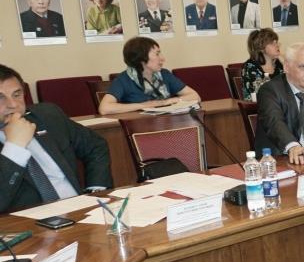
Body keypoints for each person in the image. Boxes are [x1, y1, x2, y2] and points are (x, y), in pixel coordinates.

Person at [0, 64, 111, 213]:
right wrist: (14, 147)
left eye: (17, 94)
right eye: (1, 97)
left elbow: (95, 146)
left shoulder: (48, 115)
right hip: (28, 223)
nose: (13, 104)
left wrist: (96, 191)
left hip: (82, 211)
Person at [99, 37, 200, 114]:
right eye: (157, 54)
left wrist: (169, 101)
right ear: (141, 58)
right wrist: (143, 105)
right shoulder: (123, 79)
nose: (162, 58)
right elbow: (104, 108)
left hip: (169, 124)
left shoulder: (164, 74)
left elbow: (195, 96)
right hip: (140, 127)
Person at [240, 28, 283, 101]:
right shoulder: (250, 67)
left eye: (276, 42)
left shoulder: (279, 64)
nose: (277, 45)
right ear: (261, 48)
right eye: (272, 43)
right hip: (259, 106)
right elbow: (258, 95)